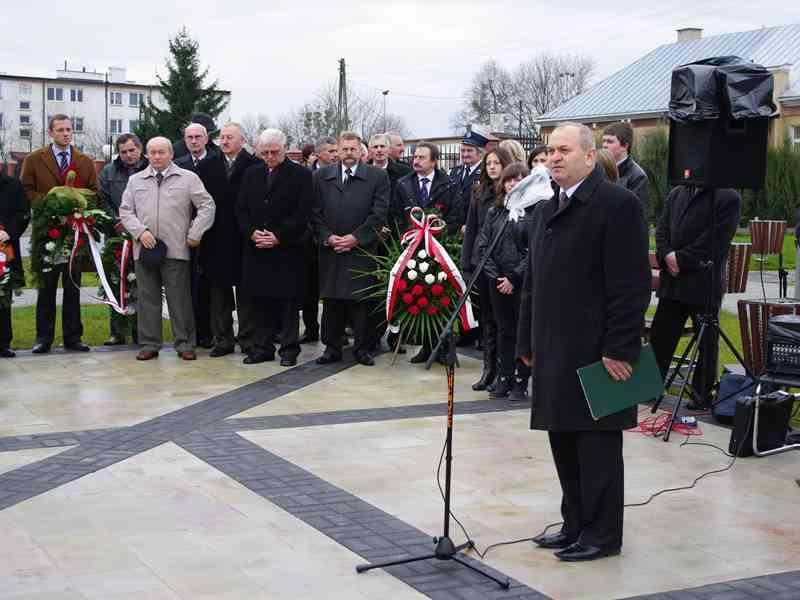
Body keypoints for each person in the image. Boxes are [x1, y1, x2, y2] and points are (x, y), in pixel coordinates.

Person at [517, 122, 650, 562]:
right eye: (550, 151)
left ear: (590, 157)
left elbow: (631, 286)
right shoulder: (544, 209)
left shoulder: (618, 205)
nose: (553, 158)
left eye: (564, 150)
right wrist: (526, 341)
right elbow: (533, 283)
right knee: (563, 441)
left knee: (597, 448)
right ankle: (574, 523)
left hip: (599, 353)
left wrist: (621, 349)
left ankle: (602, 533)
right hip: (554, 350)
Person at [119, 137, 216, 361]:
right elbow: (125, 211)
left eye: (161, 152)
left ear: (171, 154)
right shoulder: (136, 181)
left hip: (176, 250)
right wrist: (140, 232)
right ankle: (150, 343)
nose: (156, 156)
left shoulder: (188, 178)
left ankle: (184, 343)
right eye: (152, 152)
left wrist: (195, 233)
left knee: (179, 299)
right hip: (144, 250)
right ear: (147, 155)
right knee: (147, 298)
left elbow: (207, 205)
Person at [650, 185, 741, 409]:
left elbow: (715, 241)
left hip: (702, 283)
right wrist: (667, 254)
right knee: (661, 337)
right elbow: (662, 230)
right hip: (673, 282)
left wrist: (680, 259)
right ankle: (650, 387)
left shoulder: (727, 197)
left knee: (706, 341)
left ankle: (701, 393)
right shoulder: (677, 193)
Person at [21, 114, 98, 354]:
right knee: (47, 286)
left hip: (75, 233)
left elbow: (94, 192)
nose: (66, 133)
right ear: (50, 133)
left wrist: (74, 207)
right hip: (47, 231)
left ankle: (73, 337)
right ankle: (43, 338)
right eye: (61, 129)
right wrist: (51, 205)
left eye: (69, 129)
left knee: (73, 286)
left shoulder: (84, 161)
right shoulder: (35, 159)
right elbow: (26, 189)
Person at [312, 131, 389, 367]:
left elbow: (379, 213)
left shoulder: (377, 177)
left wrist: (356, 238)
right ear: (337, 150)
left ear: (360, 151)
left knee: (361, 302)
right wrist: (328, 237)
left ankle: (362, 349)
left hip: (361, 250)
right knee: (332, 300)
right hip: (331, 250)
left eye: (352, 149)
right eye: (343, 149)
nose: (348, 153)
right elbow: (313, 213)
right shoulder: (321, 176)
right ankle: (331, 347)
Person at [236, 129, 312, 366]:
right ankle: (262, 347)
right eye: (265, 152)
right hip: (257, 248)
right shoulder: (252, 174)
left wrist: (278, 236)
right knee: (260, 301)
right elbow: (241, 209)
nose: (269, 157)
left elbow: (303, 213)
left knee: (288, 304)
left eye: (274, 152)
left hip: (287, 249)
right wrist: (251, 233)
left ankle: (289, 350)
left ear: (284, 149)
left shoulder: (301, 175)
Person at [390, 142, 461, 363]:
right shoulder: (404, 184)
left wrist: (440, 232)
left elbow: (456, 215)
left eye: (422, 157)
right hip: (412, 248)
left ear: (434, 161)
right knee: (420, 297)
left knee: (441, 297)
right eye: (415, 156)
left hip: (441, 249)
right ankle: (427, 346)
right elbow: (395, 216)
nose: (416, 160)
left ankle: (445, 347)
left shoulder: (448, 184)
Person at [195, 123, 261, 357]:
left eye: (230, 137)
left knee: (247, 292)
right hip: (216, 236)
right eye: (222, 137)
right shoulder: (207, 165)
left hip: (245, 237)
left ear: (242, 141)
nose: (224, 141)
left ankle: (248, 339)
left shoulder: (255, 165)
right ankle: (223, 340)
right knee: (219, 292)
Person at [477, 162, 531, 400]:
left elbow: (532, 251)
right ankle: (504, 376)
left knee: (521, 330)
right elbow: (484, 244)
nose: (512, 183)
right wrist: (496, 276)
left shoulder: (533, 211)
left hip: (521, 282)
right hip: (496, 280)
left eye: (518, 179)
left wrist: (513, 277)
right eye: (509, 180)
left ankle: (521, 379)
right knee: (503, 330)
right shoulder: (494, 211)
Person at [460, 147, 513, 387]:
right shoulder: (478, 192)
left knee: (502, 320)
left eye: (496, 163)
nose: (492, 167)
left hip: (502, 265)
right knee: (486, 319)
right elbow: (471, 229)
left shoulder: (511, 193)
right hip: (480, 262)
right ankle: (488, 368)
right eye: (488, 163)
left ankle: (504, 370)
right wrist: (466, 264)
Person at [98, 133, 148, 346]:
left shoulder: (149, 168)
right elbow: (102, 200)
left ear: (140, 149)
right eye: (123, 152)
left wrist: (139, 225)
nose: (128, 155)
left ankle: (141, 331)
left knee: (142, 285)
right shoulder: (109, 171)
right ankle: (117, 332)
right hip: (116, 236)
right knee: (116, 282)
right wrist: (116, 221)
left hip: (144, 235)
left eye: (131, 150)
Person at [174, 122, 218, 348]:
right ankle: (193, 332)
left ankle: (211, 331)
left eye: (197, 137)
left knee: (210, 285)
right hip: (184, 232)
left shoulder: (217, 162)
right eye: (189, 137)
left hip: (213, 231)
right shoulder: (179, 165)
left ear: (206, 139)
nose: (193, 141)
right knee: (189, 283)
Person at [301, 136, 339, 345]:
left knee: (332, 289)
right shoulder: (306, 175)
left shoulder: (339, 175)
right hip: (308, 242)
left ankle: (335, 332)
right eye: (331, 151)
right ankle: (310, 328)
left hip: (331, 239)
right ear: (318, 154)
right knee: (309, 290)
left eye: (337, 151)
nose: (335, 155)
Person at [0, 172, 28, 357]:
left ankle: (2, 342)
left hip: (4, 249)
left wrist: (8, 232)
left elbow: (24, 213)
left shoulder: (12, 185)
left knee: (3, 296)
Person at [601, 122, 650, 217]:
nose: (604, 145)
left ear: (625, 146)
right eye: (603, 141)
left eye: (610, 141)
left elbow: (635, 214)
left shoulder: (638, 177)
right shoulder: (598, 170)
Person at [449, 130, 489, 227]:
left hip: (474, 227)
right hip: (454, 228)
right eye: (463, 150)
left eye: (469, 151)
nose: (465, 154)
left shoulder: (486, 173)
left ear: (480, 153)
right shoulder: (454, 172)